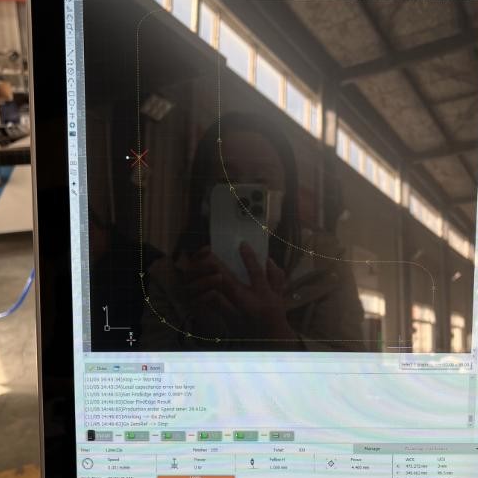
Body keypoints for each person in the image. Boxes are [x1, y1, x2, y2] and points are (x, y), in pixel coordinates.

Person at [140, 111, 364, 352]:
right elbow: (152, 368)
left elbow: (353, 368)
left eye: (263, 180)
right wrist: (202, 331)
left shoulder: (326, 266)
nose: (242, 195)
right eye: (226, 180)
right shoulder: (170, 277)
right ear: (204, 195)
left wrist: (277, 333)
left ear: (286, 194)